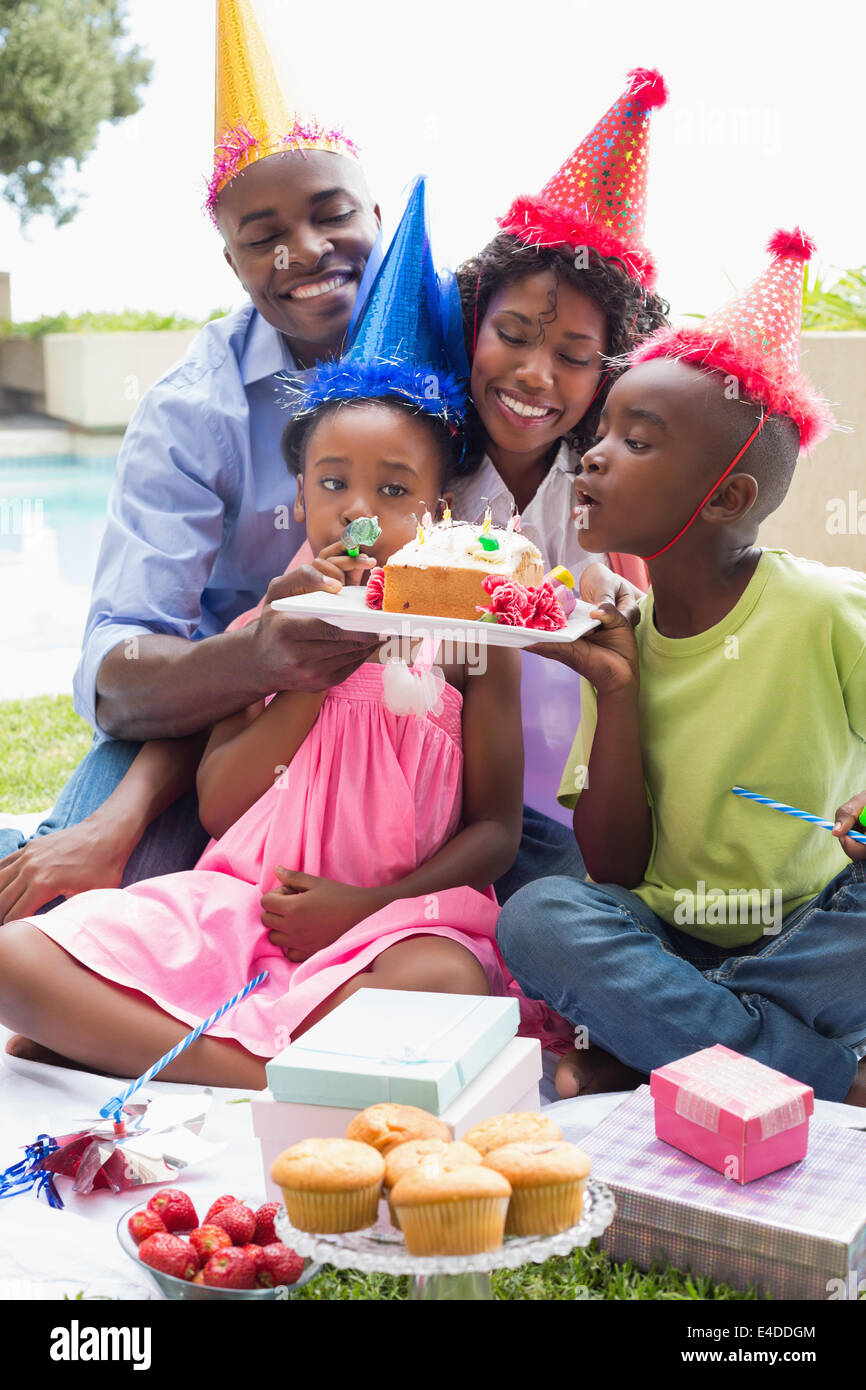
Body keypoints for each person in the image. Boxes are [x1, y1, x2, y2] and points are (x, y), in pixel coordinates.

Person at [0, 179, 570, 1081]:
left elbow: (495, 831)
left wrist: (360, 907)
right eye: (333, 484)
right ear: (298, 495)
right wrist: (304, 672)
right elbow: (222, 804)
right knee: (15, 961)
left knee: (446, 982)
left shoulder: (468, 637)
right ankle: (279, 1075)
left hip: (392, 921)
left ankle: (178, 1055)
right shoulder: (274, 616)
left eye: (393, 492)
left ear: (437, 506)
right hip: (244, 904)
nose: (358, 512)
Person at [0, 0, 384, 923]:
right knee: (74, 925)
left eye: (332, 215)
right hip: (202, 723)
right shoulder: (192, 410)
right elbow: (119, 668)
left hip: (390, 727)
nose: (306, 252)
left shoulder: (443, 356)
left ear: (377, 212)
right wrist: (253, 657)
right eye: (264, 237)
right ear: (232, 263)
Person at [495, 228, 866, 1106]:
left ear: (727, 497)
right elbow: (616, 871)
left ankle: (657, 1045)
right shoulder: (621, 633)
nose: (593, 453)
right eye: (606, 430)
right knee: (540, 919)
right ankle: (825, 1075)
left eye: (638, 440)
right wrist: (616, 694)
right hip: (669, 934)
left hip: (815, 927)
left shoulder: (822, 608)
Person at [452, 68, 669, 895]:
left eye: (574, 358)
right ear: (474, 321)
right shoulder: (427, 468)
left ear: (608, 373)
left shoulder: (602, 494)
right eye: (511, 334)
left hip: (567, 798)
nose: (535, 375)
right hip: (435, 786)